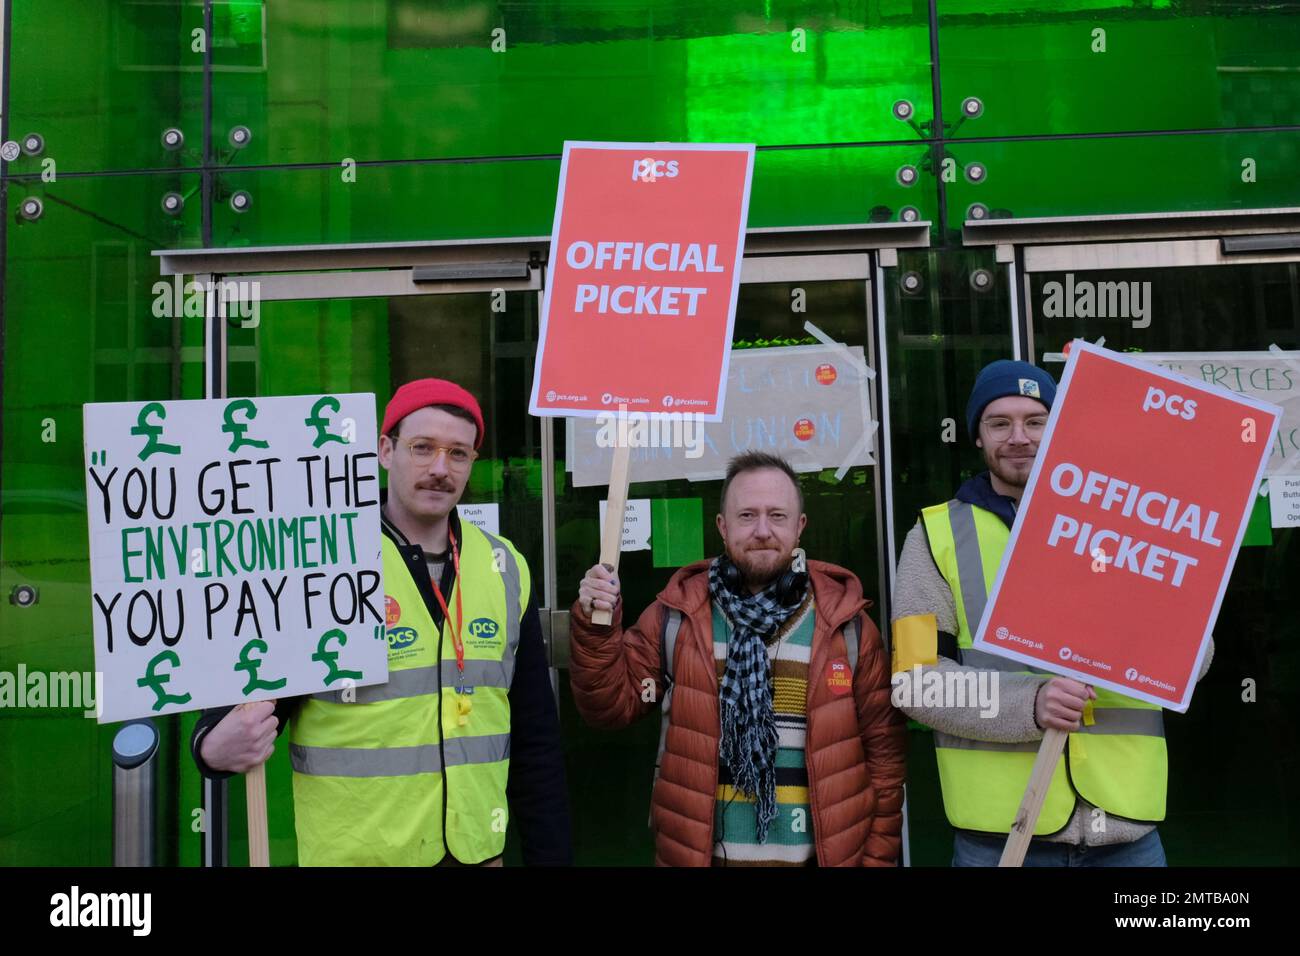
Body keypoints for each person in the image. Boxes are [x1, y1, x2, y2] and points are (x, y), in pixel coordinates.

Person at [190, 378, 571, 866]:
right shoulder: (324, 561)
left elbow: (534, 739)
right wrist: (211, 746)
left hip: (476, 854)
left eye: (459, 453)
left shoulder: (505, 566)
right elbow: (247, 711)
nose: (440, 468)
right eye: (422, 448)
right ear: (385, 451)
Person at [891, 359, 1213, 867]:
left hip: (1126, 832)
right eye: (999, 423)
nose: (1019, 437)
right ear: (977, 435)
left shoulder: (1131, 519)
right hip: (1000, 835)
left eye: (1035, 421)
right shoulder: (935, 535)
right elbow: (915, 683)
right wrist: (1029, 704)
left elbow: (1194, 658)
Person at [570, 451, 906, 866]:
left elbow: (885, 763)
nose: (762, 530)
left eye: (777, 516)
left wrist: (874, 860)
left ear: (800, 526)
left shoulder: (848, 626)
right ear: (722, 528)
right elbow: (609, 707)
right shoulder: (678, 616)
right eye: (747, 516)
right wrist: (596, 625)